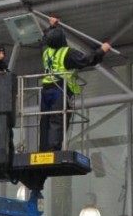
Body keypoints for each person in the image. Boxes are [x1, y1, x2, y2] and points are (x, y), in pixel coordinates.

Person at [39, 17, 111, 151]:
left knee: (46, 120)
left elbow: (44, 41)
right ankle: (53, 150)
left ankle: (43, 149)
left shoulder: (46, 52)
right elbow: (87, 60)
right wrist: (102, 50)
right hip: (60, 89)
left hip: (46, 90)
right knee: (58, 119)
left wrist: (51, 27)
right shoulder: (67, 53)